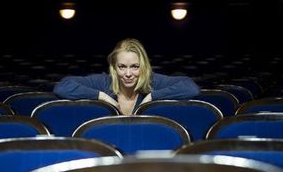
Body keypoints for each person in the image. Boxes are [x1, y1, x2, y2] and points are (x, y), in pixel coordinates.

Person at [53, 38, 200, 115]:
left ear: (143, 66)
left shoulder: (152, 81)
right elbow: (63, 86)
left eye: (135, 67)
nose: (128, 74)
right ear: (114, 67)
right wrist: (101, 96)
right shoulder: (105, 81)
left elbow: (190, 87)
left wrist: (153, 97)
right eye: (122, 67)